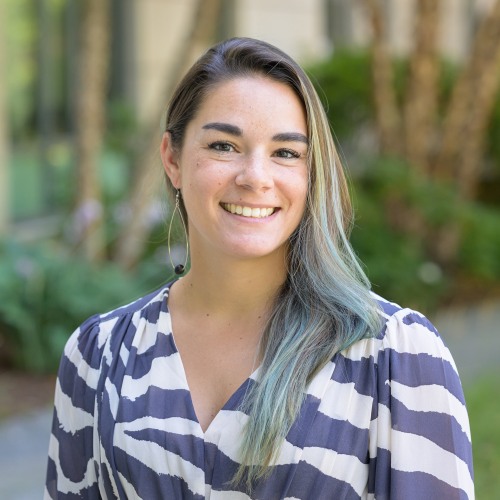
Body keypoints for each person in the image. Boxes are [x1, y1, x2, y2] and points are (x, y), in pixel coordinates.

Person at [45, 37, 474, 499]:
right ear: (172, 158)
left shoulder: (394, 356)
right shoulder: (98, 356)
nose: (254, 176)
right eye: (224, 145)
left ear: (311, 175)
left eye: (286, 152)